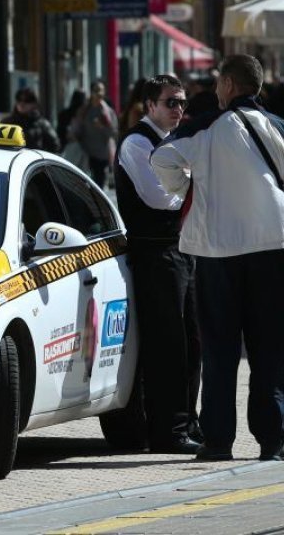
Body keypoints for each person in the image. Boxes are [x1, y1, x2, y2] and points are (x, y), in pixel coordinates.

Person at [151, 54, 284, 462]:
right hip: (273, 248)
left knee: (220, 351)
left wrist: (185, 188)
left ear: (227, 84)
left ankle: (218, 441)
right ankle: (273, 441)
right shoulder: (278, 127)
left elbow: (162, 158)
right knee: (271, 351)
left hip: (217, 252)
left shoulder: (206, 126)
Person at [114, 75, 202, 454]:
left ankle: (187, 422)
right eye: (170, 102)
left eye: (181, 103)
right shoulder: (138, 142)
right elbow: (159, 197)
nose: (178, 110)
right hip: (155, 253)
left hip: (182, 249)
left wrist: (187, 183)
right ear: (149, 105)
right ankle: (168, 429)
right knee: (168, 346)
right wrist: (192, 183)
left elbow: (179, 191)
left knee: (192, 342)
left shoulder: (174, 144)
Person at [75, 79, 118, 188]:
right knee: (85, 186)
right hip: (86, 153)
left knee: (99, 186)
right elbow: (78, 128)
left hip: (102, 155)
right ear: (91, 92)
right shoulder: (84, 110)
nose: (99, 93)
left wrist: (102, 127)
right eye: (96, 90)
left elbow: (114, 133)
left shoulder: (108, 112)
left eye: (102, 90)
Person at [1, 87, 61, 152]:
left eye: (27, 100)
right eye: (19, 99)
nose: (22, 103)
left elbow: (55, 146)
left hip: (34, 160)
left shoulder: (42, 124)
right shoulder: (7, 122)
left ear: (34, 104)